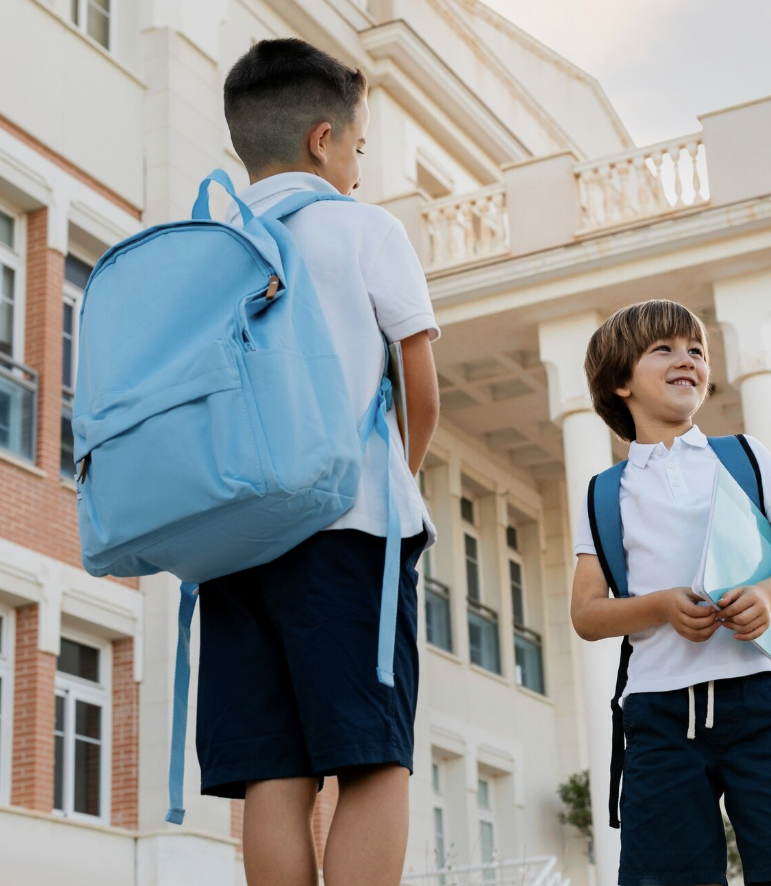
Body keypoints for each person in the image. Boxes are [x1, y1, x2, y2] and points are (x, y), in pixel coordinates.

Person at [196, 37, 441, 886]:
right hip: (349, 529)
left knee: (274, 771)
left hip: (231, 540)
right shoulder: (364, 228)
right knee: (374, 758)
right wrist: (394, 478)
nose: (360, 171)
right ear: (323, 138)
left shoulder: (206, 241)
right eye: (359, 149)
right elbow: (420, 386)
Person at [571, 299, 771, 886]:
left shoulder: (746, 456)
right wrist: (659, 607)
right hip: (659, 715)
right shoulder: (604, 493)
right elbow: (588, 614)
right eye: (664, 349)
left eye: (696, 350)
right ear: (621, 382)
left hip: (763, 700)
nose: (687, 359)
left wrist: (768, 595)